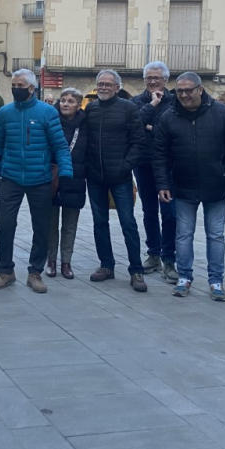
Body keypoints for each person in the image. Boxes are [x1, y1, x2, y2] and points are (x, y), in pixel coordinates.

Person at [154, 72, 225, 301]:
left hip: (216, 186)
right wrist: (163, 182)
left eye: (189, 90)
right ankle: (184, 278)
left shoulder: (222, 113)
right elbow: (159, 153)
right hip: (183, 186)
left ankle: (216, 281)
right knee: (183, 235)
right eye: (180, 91)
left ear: (200, 89)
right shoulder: (168, 116)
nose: (184, 95)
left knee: (216, 235)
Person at [0, 69, 73, 293]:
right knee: (5, 225)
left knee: (41, 227)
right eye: (13, 85)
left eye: (20, 85)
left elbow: (60, 146)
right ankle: (6, 271)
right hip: (11, 178)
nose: (16, 89)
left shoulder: (47, 112)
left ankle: (35, 272)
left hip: (40, 179)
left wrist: (65, 175)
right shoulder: (5, 113)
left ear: (32, 88)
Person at [84, 69, 148, 291]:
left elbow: (139, 142)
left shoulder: (129, 108)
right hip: (94, 177)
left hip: (120, 177)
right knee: (99, 223)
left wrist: (125, 166)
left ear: (117, 88)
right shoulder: (90, 108)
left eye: (108, 84)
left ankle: (136, 270)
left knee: (128, 223)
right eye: (100, 84)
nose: (103, 87)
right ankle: (106, 265)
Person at [131, 61, 178, 282]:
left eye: (156, 78)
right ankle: (153, 254)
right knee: (149, 212)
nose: (152, 81)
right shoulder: (136, 102)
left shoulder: (176, 102)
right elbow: (133, 126)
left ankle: (169, 258)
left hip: (170, 166)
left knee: (169, 214)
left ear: (165, 80)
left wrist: (150, 128)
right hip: (144, 164)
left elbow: (173, 132)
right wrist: (152, 105)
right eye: (148, 78)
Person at [48, 87, 88, 279]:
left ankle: (66, 262)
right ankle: (51, 261)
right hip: (52, 178)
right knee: (50, 223)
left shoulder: (85, 124)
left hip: (75, 178)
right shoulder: (50, 120)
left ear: (79, 105)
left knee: (70, 225)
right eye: (63, 100)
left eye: (70, 101)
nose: (65, 104)